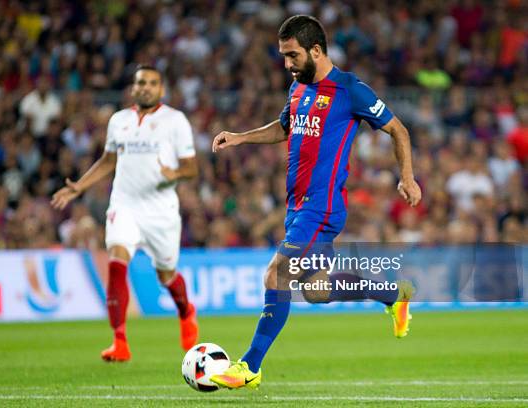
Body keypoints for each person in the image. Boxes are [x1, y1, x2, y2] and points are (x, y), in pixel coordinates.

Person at [210, 15, 422, 389]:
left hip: (321, 208)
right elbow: (284, 127)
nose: (287, 65)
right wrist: (241, 137)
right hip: (296, 208)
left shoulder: (350, 89)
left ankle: (249, 366)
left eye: (292, 56)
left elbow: (397, 129)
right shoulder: (297, 90)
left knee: (276, 273)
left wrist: (406, 176)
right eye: (283, 56)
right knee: (316, 289)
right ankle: (394, 294)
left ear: (316, 50)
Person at [51, 65, 199, 362]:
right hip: (125, 205)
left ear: (162, 89)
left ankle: (186, 312)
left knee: (166, 275)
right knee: (117, 262)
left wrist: (174, 174)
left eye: (152, 83)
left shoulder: (175, 121)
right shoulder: (119, 121)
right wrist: (79, 186)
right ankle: (119, 341)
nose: (145, 87)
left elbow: (191, 168)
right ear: (133, 88)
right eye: (141, 82)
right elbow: (108, 161)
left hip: (161, 211)